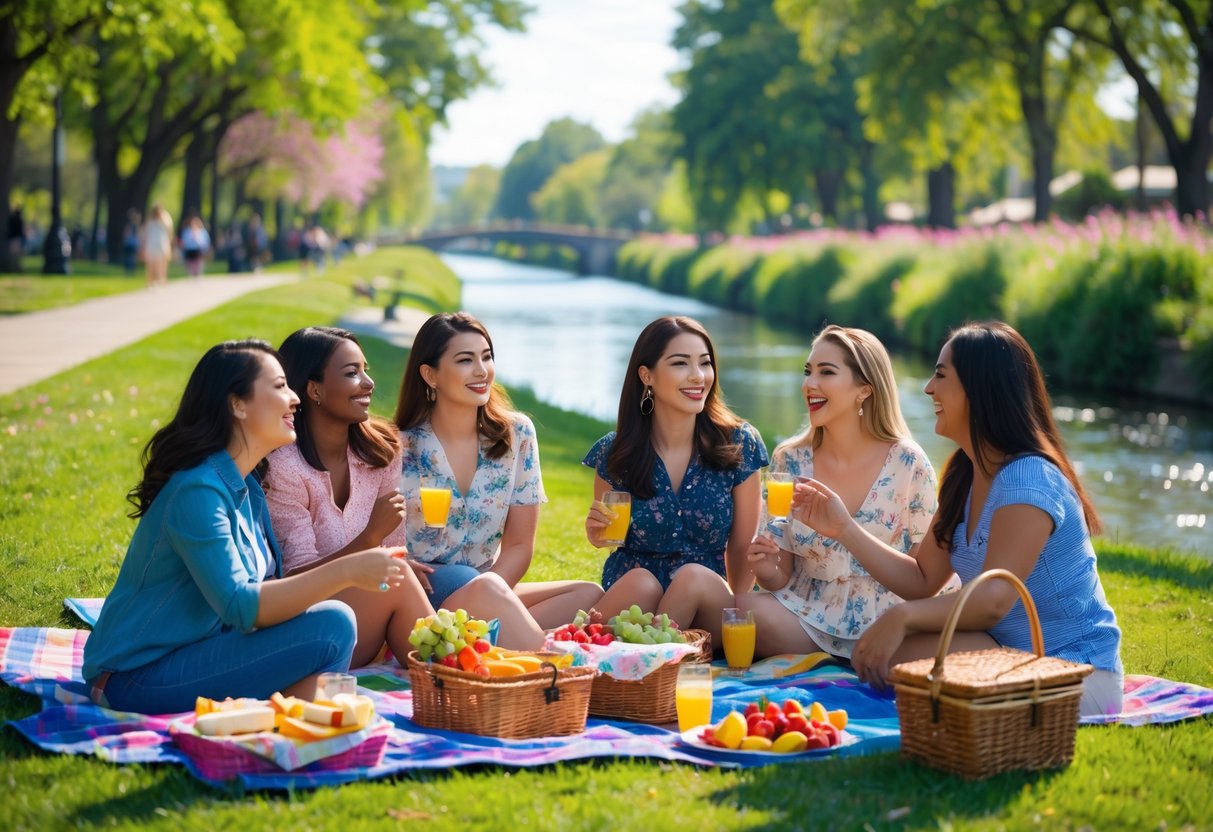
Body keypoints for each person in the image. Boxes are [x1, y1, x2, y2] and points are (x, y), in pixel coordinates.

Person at [796, 321, 1123, 717]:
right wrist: (845, 529)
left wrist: (902, 617)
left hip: (1075, 672)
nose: (928, 389)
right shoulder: (965, 473)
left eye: (940, 376)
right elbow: (921, 579)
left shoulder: (1028, 478)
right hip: (1005, 653)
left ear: (979, 388)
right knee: (892, 657)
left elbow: (992, 602)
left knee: (904, 662)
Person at [82, 340, 408, 714]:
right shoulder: (198, 489)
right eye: (279, 386)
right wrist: (348, 569)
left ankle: (300, 723)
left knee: (330, 633)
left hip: (201, 654)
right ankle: (301, 722)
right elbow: (240, 605)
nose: (294, 398)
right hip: (134, 677)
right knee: (333, 622)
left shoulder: (247, 486)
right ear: (237, 404)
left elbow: (267, 592)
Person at [669, 325, 956, 653]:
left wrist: (845, 530)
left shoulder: (909, 462)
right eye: (808, 372)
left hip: (889, 620)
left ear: (864, 389)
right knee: (749, 609)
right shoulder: (790, 459)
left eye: (826, 372)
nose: (810, 384)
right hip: (807, 619)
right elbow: (783, 576)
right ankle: (645, 673)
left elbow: (923, 577)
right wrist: (768, 569)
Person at [394, 312, 602, 638]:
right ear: (430, 374)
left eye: (487, 357)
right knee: (467, 579)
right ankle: (549, 660)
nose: (482, 371)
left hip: (486, 584)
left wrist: (492, 592)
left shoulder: (517, 435)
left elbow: (519, 545)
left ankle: (477, 635)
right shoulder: (398, 445)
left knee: (587, 595)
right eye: (466, 360)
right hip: (420, 595)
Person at [264, 327, 437, 667]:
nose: (368, 383)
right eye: (352, 373)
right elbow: (296, 578)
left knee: (467, 584)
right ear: (313, 389)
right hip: (311, 622)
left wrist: (396, 561)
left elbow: (392, 553)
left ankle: (468, 678)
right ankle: (458, 683)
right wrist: (369, 538)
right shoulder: (284, 466)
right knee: (402, 581)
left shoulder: (381, 450)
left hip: (374, 611)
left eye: (365, 370)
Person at [583, 316, 767, 629]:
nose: (698, 377)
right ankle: (573, 653)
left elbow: (741, 547)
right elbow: (609, 536)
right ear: (647, 375)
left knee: (691, 577)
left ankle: (654, 657)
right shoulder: (614, 454)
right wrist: (597, 536)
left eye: (704, 363)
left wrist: (735, 616)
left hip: (706, 605)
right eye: (681, 364)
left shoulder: (739, 444)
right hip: (636, 601)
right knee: (641, 582)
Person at [140, 204, 173, 288]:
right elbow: (145, 233)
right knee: (150, 265)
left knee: (161, 264)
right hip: (151, 244)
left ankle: (161, 280)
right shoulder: (149, 220)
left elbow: (169, 231)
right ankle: (150, 282)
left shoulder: (165, 218)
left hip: (161, 244)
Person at [180, 214, 211, 279]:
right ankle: (191, 276)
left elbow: (205, 242)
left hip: (198, 250)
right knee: (190, 266)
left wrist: (197, 239)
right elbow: (185, 242)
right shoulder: (187, 232)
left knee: (198, 265)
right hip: (189, 251)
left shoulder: (202, 232)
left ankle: (198, 276)